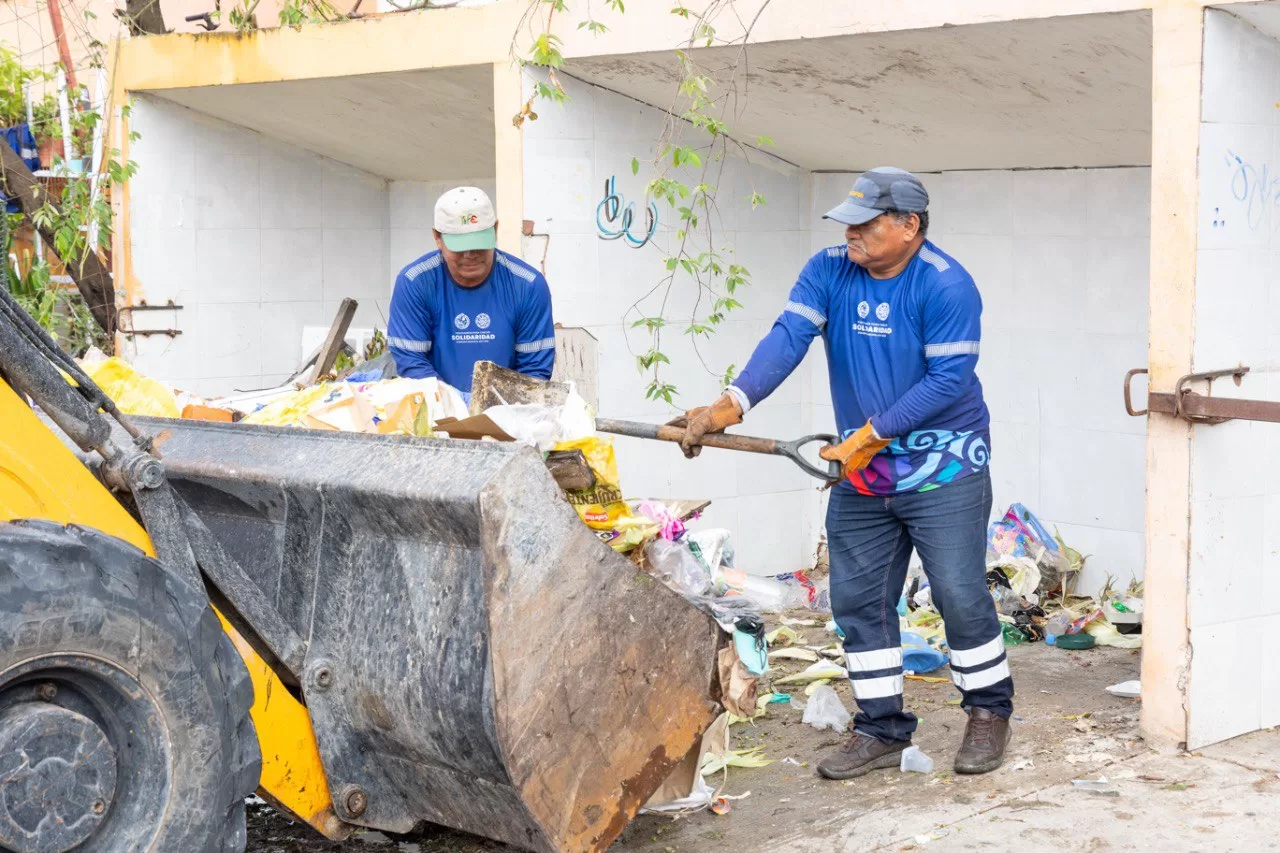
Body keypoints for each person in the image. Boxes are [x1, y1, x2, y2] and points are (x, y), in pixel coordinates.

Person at [676, 167, 1012, 779]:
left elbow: (948, 382)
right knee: (858, 601)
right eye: (848, 222)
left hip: (946, 468)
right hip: (863, 474)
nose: (850, 232)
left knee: (959, 594)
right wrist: (728, 406)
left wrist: (869, 435)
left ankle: (988, 714)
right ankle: (881, 728)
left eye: (866, 222)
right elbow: (787, 339)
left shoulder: (946, 286)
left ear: (909, 225)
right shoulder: (829, 269)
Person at [387, 187, 555, 397]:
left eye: (478, 244)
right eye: (460, 247)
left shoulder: (528, 285)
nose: (470, 254)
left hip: (507, 414)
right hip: (436, 413)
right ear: (437, 237)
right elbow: (413, 364)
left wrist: (492, 412)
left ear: (495, 230)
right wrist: (456, 406)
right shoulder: (414, 283)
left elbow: (533, 374)